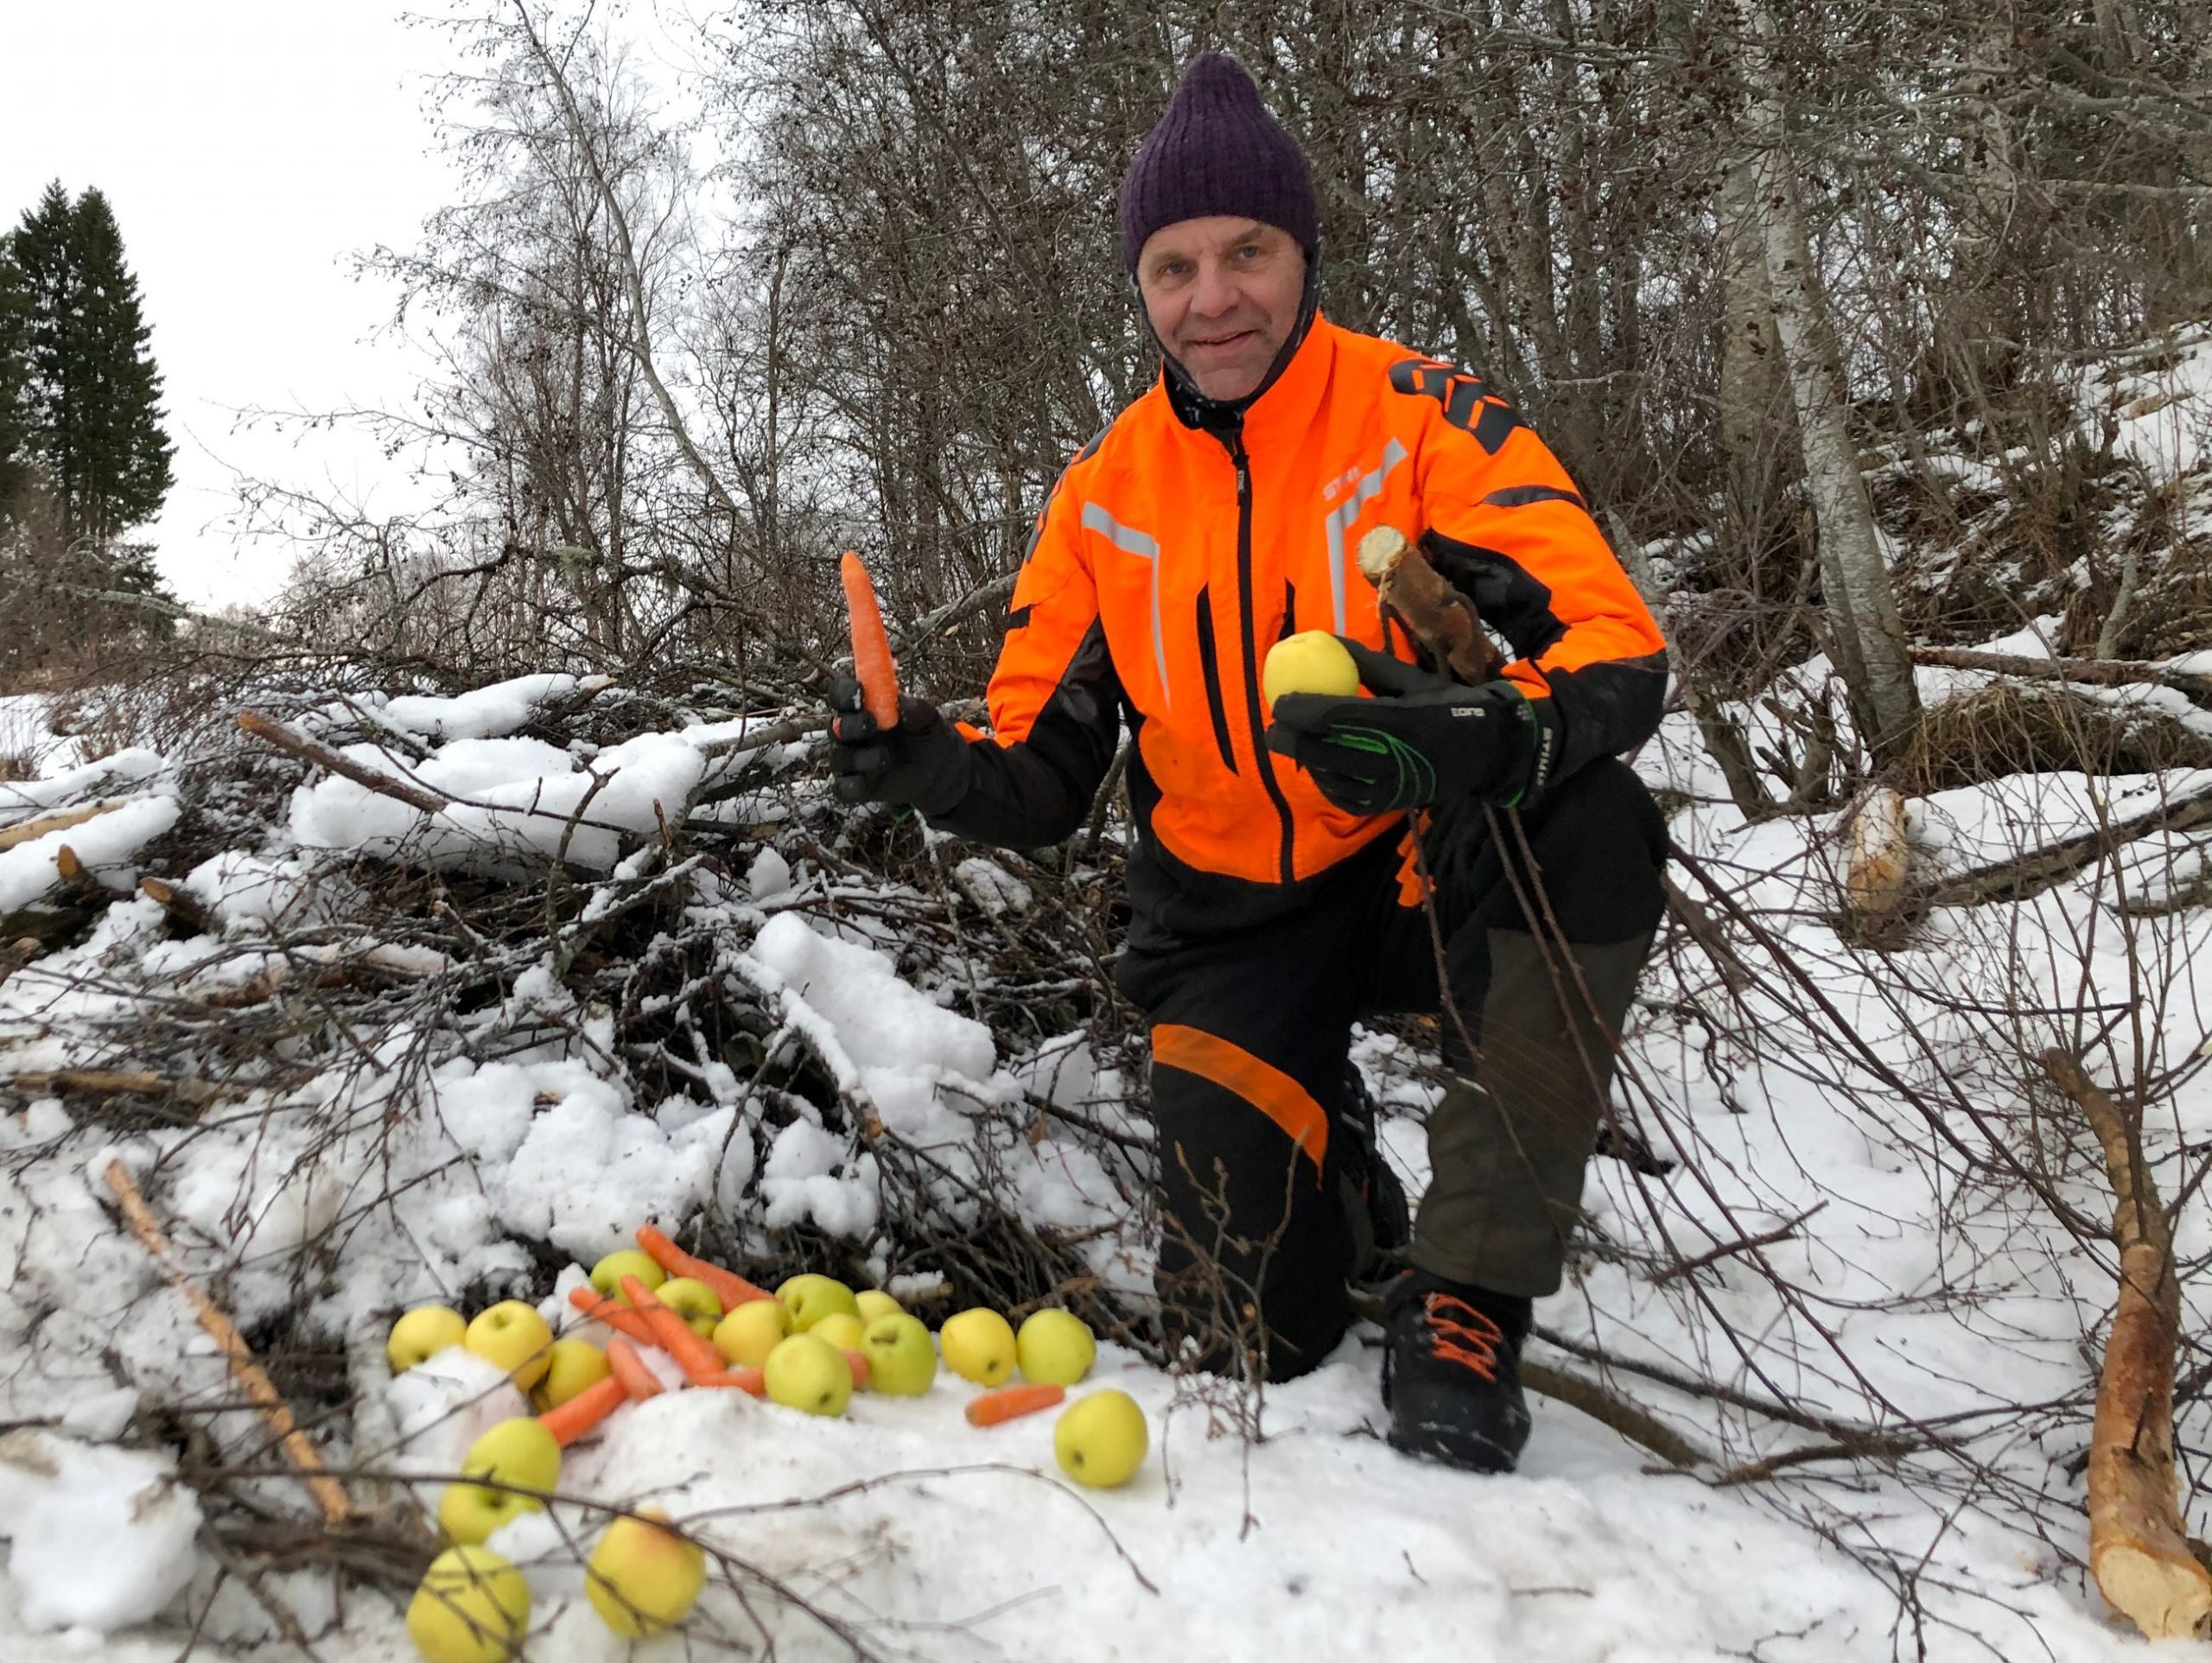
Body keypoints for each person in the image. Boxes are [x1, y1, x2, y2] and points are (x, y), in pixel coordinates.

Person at [827, 52, 1668, 1475]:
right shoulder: (1103, 495)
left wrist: (1501, 731)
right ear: (1140, 288)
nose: (1212, 298)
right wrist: (921, 761)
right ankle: (1336, 1174)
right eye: (1174, 267)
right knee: (1242, 1340)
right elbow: (1040, 774)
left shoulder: (1421, 415)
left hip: (1415, 880)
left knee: (1594, 818)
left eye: (1247, 253)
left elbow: (1616, 643)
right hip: (1228, 923)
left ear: (1304, 255)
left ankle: (1468, 1292)